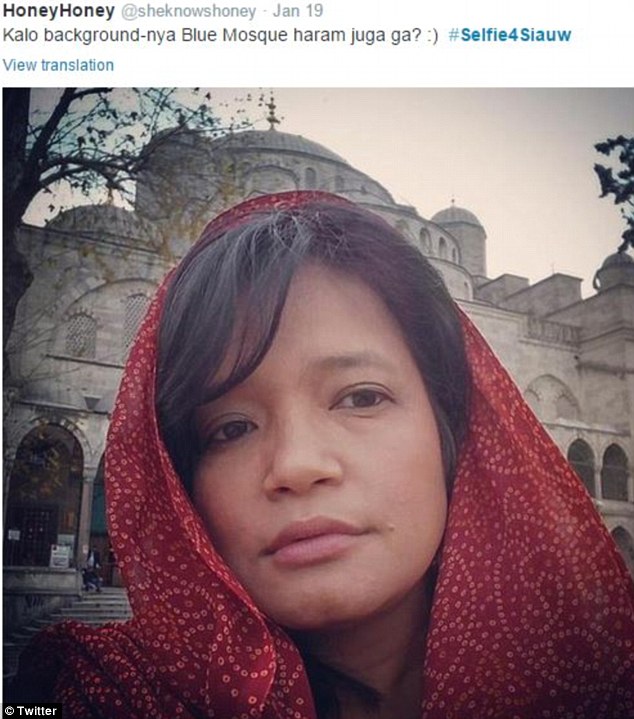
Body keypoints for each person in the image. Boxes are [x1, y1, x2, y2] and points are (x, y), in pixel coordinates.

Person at [11, 191, 634, 717]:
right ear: (177, 478)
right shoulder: (100, 694)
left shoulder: (598, 678)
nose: (297, 465)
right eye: (230, 428)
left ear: (452, 428)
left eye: (361, 397)